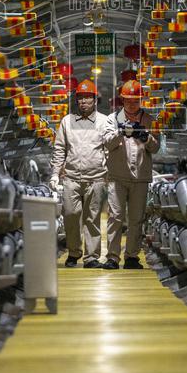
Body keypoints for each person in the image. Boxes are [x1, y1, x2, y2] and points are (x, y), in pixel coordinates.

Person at [50, 79, 119, 268]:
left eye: (87, 98)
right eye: (80, 98)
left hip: (96, 178)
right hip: (71, 177)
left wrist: (110, 171)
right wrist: (55, 173)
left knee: (92, 218)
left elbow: (109, 148)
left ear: (95, 100)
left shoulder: (104, 121)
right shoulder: (67, 121)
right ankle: (74, 252)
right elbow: (60, 148)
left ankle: (91, 258)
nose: (83, 101)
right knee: (70, 215)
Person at [102, 80, 159, 270]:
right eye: (128, 100)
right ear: (122, 100)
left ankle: (132, 257)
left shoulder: (149, 120)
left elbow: (156, 147)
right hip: (117, 176)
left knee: (136, 219)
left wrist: (146, 137)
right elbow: (107, 142)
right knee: (115, 217)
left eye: (136, 101)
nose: (132, 104)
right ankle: (112, 257)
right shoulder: (112, 119)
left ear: (141, 100)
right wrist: (120, 132)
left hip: (140, 177)